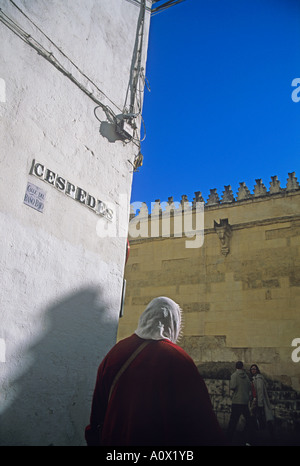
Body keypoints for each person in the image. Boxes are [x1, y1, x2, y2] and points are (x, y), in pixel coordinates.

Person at [85, 296, 226, 446]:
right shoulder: (178, 359)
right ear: (173, 323)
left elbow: (98, 410)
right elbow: (201, 421)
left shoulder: (116, 352)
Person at [227, 361, 252, 444]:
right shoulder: (247, 377)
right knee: (248, 420)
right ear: (242, 367)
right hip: (244, 401)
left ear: (236, 367)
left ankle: (228, 439)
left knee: (233, 422)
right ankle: (245, 436)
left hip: (237, 401)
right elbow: (249, 387)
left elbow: (233, 386)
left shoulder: (234, 375)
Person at [249, 364, 275, 441]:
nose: (253, 370)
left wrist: (260, 404)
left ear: (257, 370)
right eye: (252, 369)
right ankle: (264, 434)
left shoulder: (258, 379)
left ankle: (268, 435)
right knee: (262, 418)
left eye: (254, 369)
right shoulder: (255, 378)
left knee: (263, 418)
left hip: (259, 402)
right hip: (257, 401)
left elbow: (260, 392)